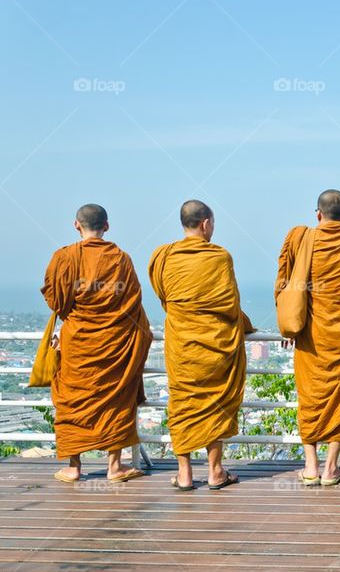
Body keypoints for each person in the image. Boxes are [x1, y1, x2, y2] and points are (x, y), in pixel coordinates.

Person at [275, 190, 340, 486]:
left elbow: (285, 282)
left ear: (317, 214)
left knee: (310, 400)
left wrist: (289, 325)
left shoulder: (300, 239)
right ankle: (331, 467)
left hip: (309, 337)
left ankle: (310, 467)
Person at [42, 204, 152, 483]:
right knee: (116, 397)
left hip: (77, 343)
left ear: (76, 225)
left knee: (72, 400)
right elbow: (132, 303)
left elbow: (55, 300)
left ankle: (73, 466)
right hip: (114, 343)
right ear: (107, 226)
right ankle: (115, 466)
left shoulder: (64, 257)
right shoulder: (121, 259)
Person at [149, 200, 253, 491]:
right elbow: (230, 304)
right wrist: (246, 325)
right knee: (214, 402)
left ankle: (184, 473)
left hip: (182, 343)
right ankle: (216, 471)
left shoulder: (165, 256)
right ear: (206, 223)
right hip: (214, 344)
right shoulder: (220, 257)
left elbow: (165, 296)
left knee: (182, 403)